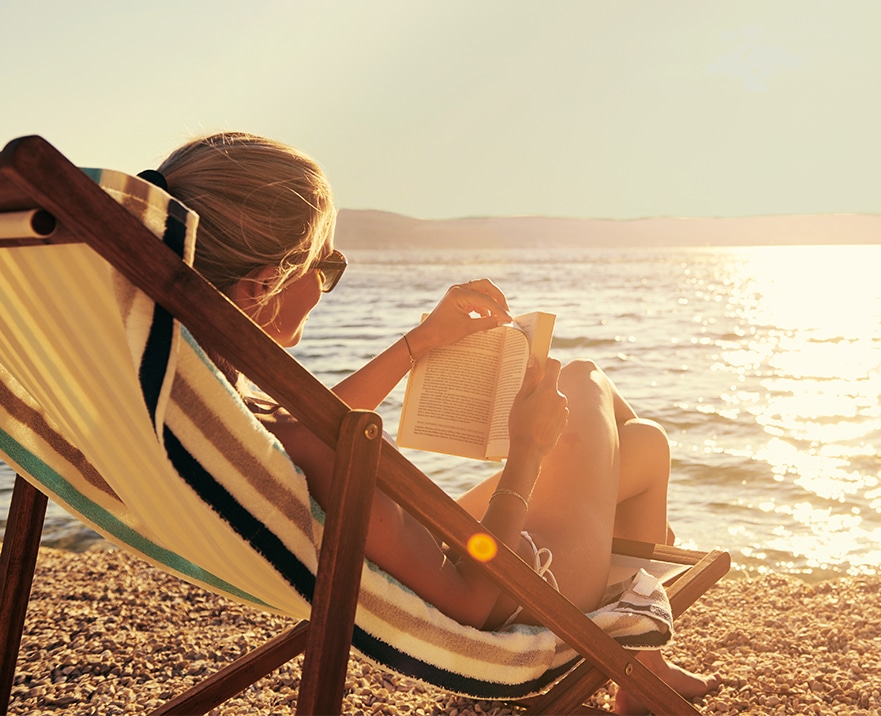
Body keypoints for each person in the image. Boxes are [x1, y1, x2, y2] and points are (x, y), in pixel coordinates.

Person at [155, 131, 719, 713]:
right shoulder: (290, 437)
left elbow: (311, 424)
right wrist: (526, 449)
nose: (326, 283)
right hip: (518, 590)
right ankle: (638, 643)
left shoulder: (204, 394)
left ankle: (643, 662)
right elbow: (473, 602)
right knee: (583, 379)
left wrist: (419, 344)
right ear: (262, 285)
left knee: (643, 445)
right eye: (325, 266)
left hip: (458, 554)